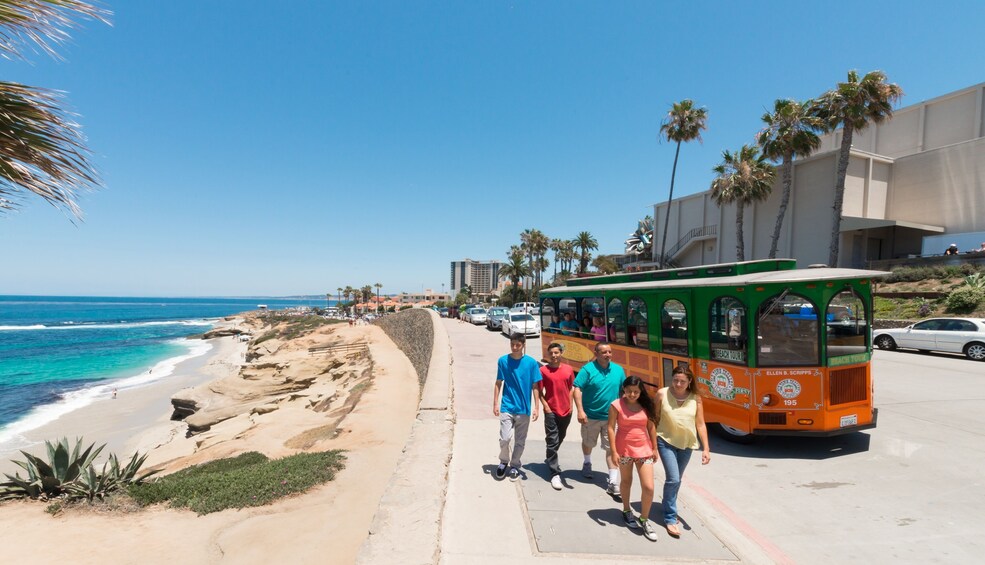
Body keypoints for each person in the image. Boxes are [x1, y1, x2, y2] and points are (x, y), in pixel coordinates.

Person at [655, 365, 711, 537]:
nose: (678, 384)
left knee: (677, 480)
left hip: (687, 444)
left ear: (689, 382)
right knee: (673, 478)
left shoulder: (696, 398)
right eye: (675, 380)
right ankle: (670, 517)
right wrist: (650, 444)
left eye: (682, 381)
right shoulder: (662, 394)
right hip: (665, 441)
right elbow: (654, 418)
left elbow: (700, 424)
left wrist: (706, 448)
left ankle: (667, 502)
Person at [608, 375, 659, 541]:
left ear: (640, 391)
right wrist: (614, 451)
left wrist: (654, 447)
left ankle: (644, 519)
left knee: (649, 487)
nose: (632, 395)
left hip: (644, 450)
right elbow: (610, 428)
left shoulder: (646, 404)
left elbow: (651, 427)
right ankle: (626, 510)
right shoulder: (616, 405)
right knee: (626, 481)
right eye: (629, 391)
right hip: (624, 449)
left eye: (636, 392)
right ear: (624, 389)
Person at [573, 342, 626, 498]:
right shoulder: (587, 370)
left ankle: (613, 482)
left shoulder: (618, 370)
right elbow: (577, 389)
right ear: (596, 353)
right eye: (604, 352)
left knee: (611, 449)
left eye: (609, 352)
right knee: (589, 443)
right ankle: (587, 462)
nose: (608, 355)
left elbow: (624, 391)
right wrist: (580, 411)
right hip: (591, 417)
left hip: (611, 418)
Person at [493, 333, 543, 482]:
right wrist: (495, 403)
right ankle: (503, 461)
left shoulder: (531, 363)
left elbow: (535, 386)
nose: (515, 347)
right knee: (505, 438)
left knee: (520, 441)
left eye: (518, 345)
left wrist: (537, 407)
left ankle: (515, 465)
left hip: (524, 409)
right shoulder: (503, 361)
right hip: (507, 406)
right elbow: (498, 383)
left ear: (523, 345)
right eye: (512, 344)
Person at [539, 342, 575, 490]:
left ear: (561, 354)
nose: (554, 355)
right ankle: (555, 473)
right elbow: (539, 391)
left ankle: (550, 456)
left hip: (566, 410)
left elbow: (571, 388)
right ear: (548, 355)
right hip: (551, 410)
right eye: (551, 353)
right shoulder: (543, 371)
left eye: (556, 353)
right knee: (552, 439)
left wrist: (571, 405)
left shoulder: (568, 369)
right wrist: (545, 406)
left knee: (560, 436)